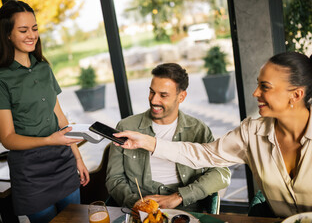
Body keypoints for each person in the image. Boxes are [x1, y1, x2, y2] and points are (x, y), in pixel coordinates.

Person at [114, 52, 312, 218]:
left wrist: (179, 197)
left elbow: (218, 174)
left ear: (296, 95)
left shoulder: (198, 127)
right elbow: (203, 154)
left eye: (265, 87)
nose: (255, 93)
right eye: (257, 84)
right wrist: (148, 142)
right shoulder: (251, 132)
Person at [0, 0, 90, 223]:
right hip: (31, 173)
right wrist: (50, 140)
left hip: (63, 162)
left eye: (34, 28)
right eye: (23, 30)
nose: (31, 35)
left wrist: (77, 158)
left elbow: (60, 118)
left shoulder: (44, 67)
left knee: (76, 220)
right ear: (7, 34)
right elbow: (8, 139)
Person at [106, 63, 231, 211]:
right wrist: (135, 203)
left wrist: (179, 196)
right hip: (138, 206)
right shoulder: (126, 127)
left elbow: (221, 172)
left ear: (181, 97)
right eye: (152, 92)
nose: (153, 100)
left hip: (184, 206)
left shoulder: (198, 130)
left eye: (163, 95)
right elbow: (114, 178)